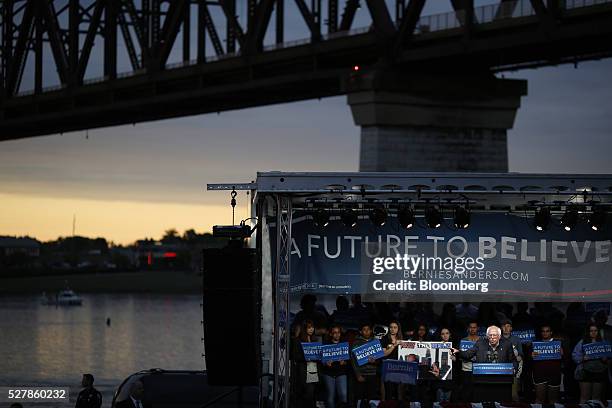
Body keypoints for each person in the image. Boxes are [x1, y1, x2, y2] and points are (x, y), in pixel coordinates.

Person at [454, 325, 516, 402]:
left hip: (501, 379)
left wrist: (513, 368)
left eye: (495, 335)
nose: (492, 337)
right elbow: (468, 354)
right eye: (490, 335)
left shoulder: (507, 344)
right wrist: (458, 352)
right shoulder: (480, 343)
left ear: (499, 336)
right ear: (487, 336)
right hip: (482, 379)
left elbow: (512, 359)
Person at [572, 323, 609, 403]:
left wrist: (605, 359)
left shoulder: (603, 343)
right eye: (591, 331)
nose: (593, 332)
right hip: (585, 372)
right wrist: (582, 358)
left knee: (596, 398)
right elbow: (574, 355)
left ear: (598, 332)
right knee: (585, 397)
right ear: (588, 332)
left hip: (599, 372)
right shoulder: (582, 342)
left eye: (595, 330)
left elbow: (608, 359)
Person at [290, 319, 320, 408]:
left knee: (311, 392)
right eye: (309, 328)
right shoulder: (299, 341)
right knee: (306, 391)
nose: (311, 329)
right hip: (303, 368)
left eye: (312, 327)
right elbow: (295, 356)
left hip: (313, 367)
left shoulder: (315, 340)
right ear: (304, 329)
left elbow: (318, 355)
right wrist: (306, 358)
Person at [532, 324, 562, 404]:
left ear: (551, 332)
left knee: (554, 401)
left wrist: (562, 354)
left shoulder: (557, 343)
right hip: (539, 374)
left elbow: (565, 359)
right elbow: (529, 359)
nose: (545, 333)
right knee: (539, 400)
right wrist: (531, 355)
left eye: (547, 331)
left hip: (554, 374)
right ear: (541, 333)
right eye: (543, 331)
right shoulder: (535, 344)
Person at [351, 322, 380, 406]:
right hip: (361, 374)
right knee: (359, 397)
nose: (367, 331)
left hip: (372, 373)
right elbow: (353, 361)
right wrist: (358, 375)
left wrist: (375, 361)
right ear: (361, 331)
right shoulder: (356, 343)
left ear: (371, 331)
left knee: (371, 397)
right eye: (364, 330)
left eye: (368, 330)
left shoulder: (375, 341)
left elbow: (379, 359)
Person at [321, 324, 348, 408]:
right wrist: (325, 363)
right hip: (328, 373)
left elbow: (349, 360)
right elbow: (321, 359)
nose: (337, 334)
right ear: (330, 334)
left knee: (343, 395)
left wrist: (344, 362)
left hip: (341, 373)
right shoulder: (325, 345)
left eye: (338, 332)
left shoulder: (344, 344)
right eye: (334, 332)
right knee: (330, 397)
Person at [501, 319, 523, 402]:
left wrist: (515, 354)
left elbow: (520, 356)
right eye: (504, 326)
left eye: (508, 326)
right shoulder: (497, 338)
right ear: (501, 328)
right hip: (500, 370)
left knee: (514, 395)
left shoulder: (516, 339)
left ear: (511, 328)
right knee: (501, 394)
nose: (506, 328)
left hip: (513, 369)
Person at [458, 320, 480, 402]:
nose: (472, 329)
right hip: (466, 369)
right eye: (471, 327)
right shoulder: (463, 340)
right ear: (468, 329)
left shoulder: (481, 340)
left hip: (478, 369)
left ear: (477, 329)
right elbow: (461, 356)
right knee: (466, 391)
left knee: (476, 391)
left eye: (474, 327)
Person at [380, 320, 403, 400]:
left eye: (395, 327)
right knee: (388, 391)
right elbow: (384, 354)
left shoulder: (402, 340)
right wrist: (394, 345)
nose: (393, 329)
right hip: (388, 367)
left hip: (399, 368)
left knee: (397, 391)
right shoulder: (385, 339)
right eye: (391, 327)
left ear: (398, 329)